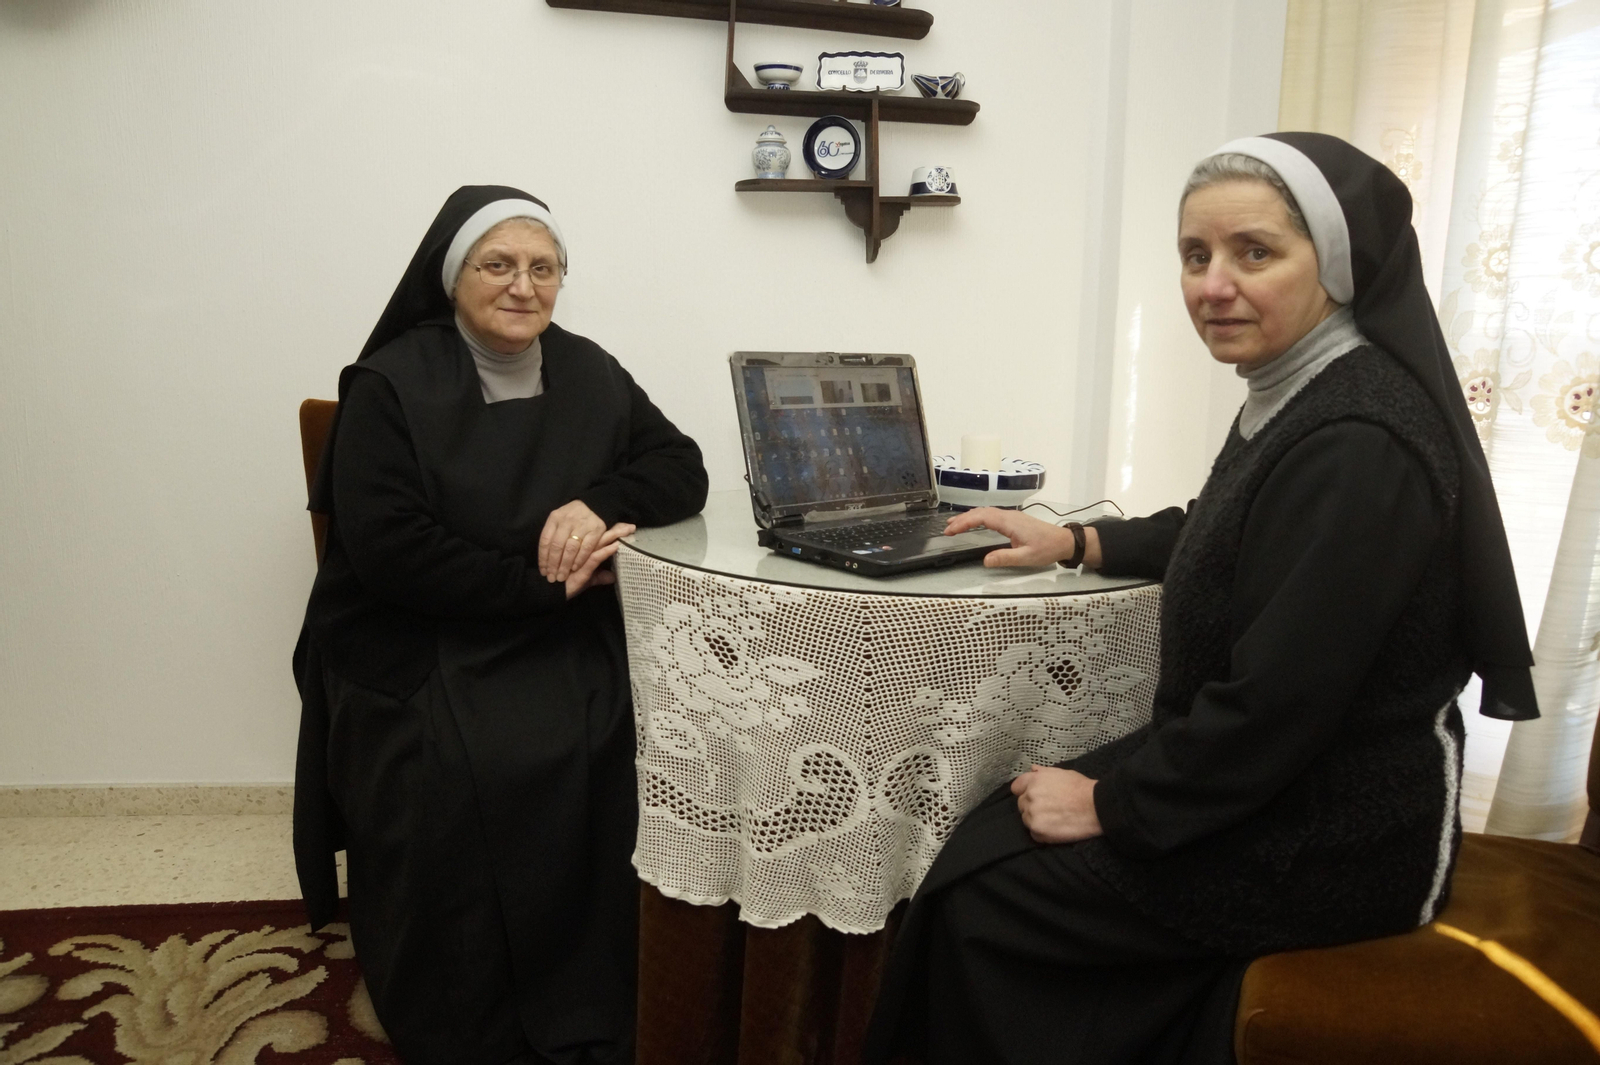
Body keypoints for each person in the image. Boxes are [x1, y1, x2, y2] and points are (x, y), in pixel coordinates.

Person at [862, 133, 1539, 1065]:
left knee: (984, 899)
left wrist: (1117, 805)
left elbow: (1279, 701)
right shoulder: (1304, 387)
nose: (1212, 285)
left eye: (1253, 252)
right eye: (1195, 255)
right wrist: (1077, 540)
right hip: (1283, 787)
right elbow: (1226, 527)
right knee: (984, 832)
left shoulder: (1360, 439)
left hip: (1344, 835)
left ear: (1335, 266)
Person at [291, 185, 708, 1065]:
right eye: (499, 264)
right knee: (474, 756)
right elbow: (391, 553)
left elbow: (680, 466)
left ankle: (599, 977)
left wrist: (602, 500)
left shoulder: (590, 367)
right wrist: (538, 589)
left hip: (553, 627)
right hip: (419, 631)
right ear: (454, 279)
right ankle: (470, 1002)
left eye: (543, 267)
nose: (524, 286)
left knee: (634, 725)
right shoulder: (391, 384)